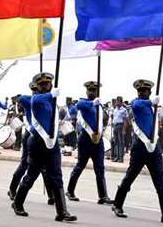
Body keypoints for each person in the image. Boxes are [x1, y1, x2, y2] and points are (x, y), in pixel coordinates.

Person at [111, 79, 163, 223]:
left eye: (145, 91)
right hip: (140, 148)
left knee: (160, 181)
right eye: (140, 91)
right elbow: (136, 104)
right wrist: (150, 102)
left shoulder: (153, 108)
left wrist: (152, 104)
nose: (142, 93)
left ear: (150, 92)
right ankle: (117, 204)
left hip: (153, 148)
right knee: (130, 177)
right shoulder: (137, 104)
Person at [11, 72, 77, 222]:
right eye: (42, 85)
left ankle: (62, 212)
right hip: (37, 143)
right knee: (32, 175)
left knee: (56, 176)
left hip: (52, 145)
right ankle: (17, 203)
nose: (45, 87)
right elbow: (31, 100)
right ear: (37, 87)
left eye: (47, 84)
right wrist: (50, 95)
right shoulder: (37, 99)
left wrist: (52, 98)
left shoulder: (52, 101)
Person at [66, 81, 113, 205]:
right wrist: (93, 103)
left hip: (98, 141)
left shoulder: (100, 106)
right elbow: (79, 105)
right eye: (90, 90)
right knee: (80, 166)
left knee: (100, 168)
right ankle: (70, 191)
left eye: (95, 90)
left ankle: (103, 196)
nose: (92, 92)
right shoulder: (85, 103)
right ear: (86, 92)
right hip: (86, 140)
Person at [7, 82, 54, 205]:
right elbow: (20, 98)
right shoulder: (30, 100)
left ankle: (51, 195)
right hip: (30, 134)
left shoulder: (44, 101)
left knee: (44, 168)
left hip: (42, 136)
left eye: (37, 90)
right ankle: (12, 189)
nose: (36, 92)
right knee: (24, 164)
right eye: (34, 90)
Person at [112, 97, 128, 162]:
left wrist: (124, 130)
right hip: (115, 126)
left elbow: (125, 121)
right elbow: (114, 118)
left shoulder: (123, 110)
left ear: (121, 102)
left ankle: (121, 158)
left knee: (121, 142)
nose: (116, 103)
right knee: (116, 142)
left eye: (118, 102)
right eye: (116, 101)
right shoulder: (115, 109)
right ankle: (116, 157)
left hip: (120, 126)